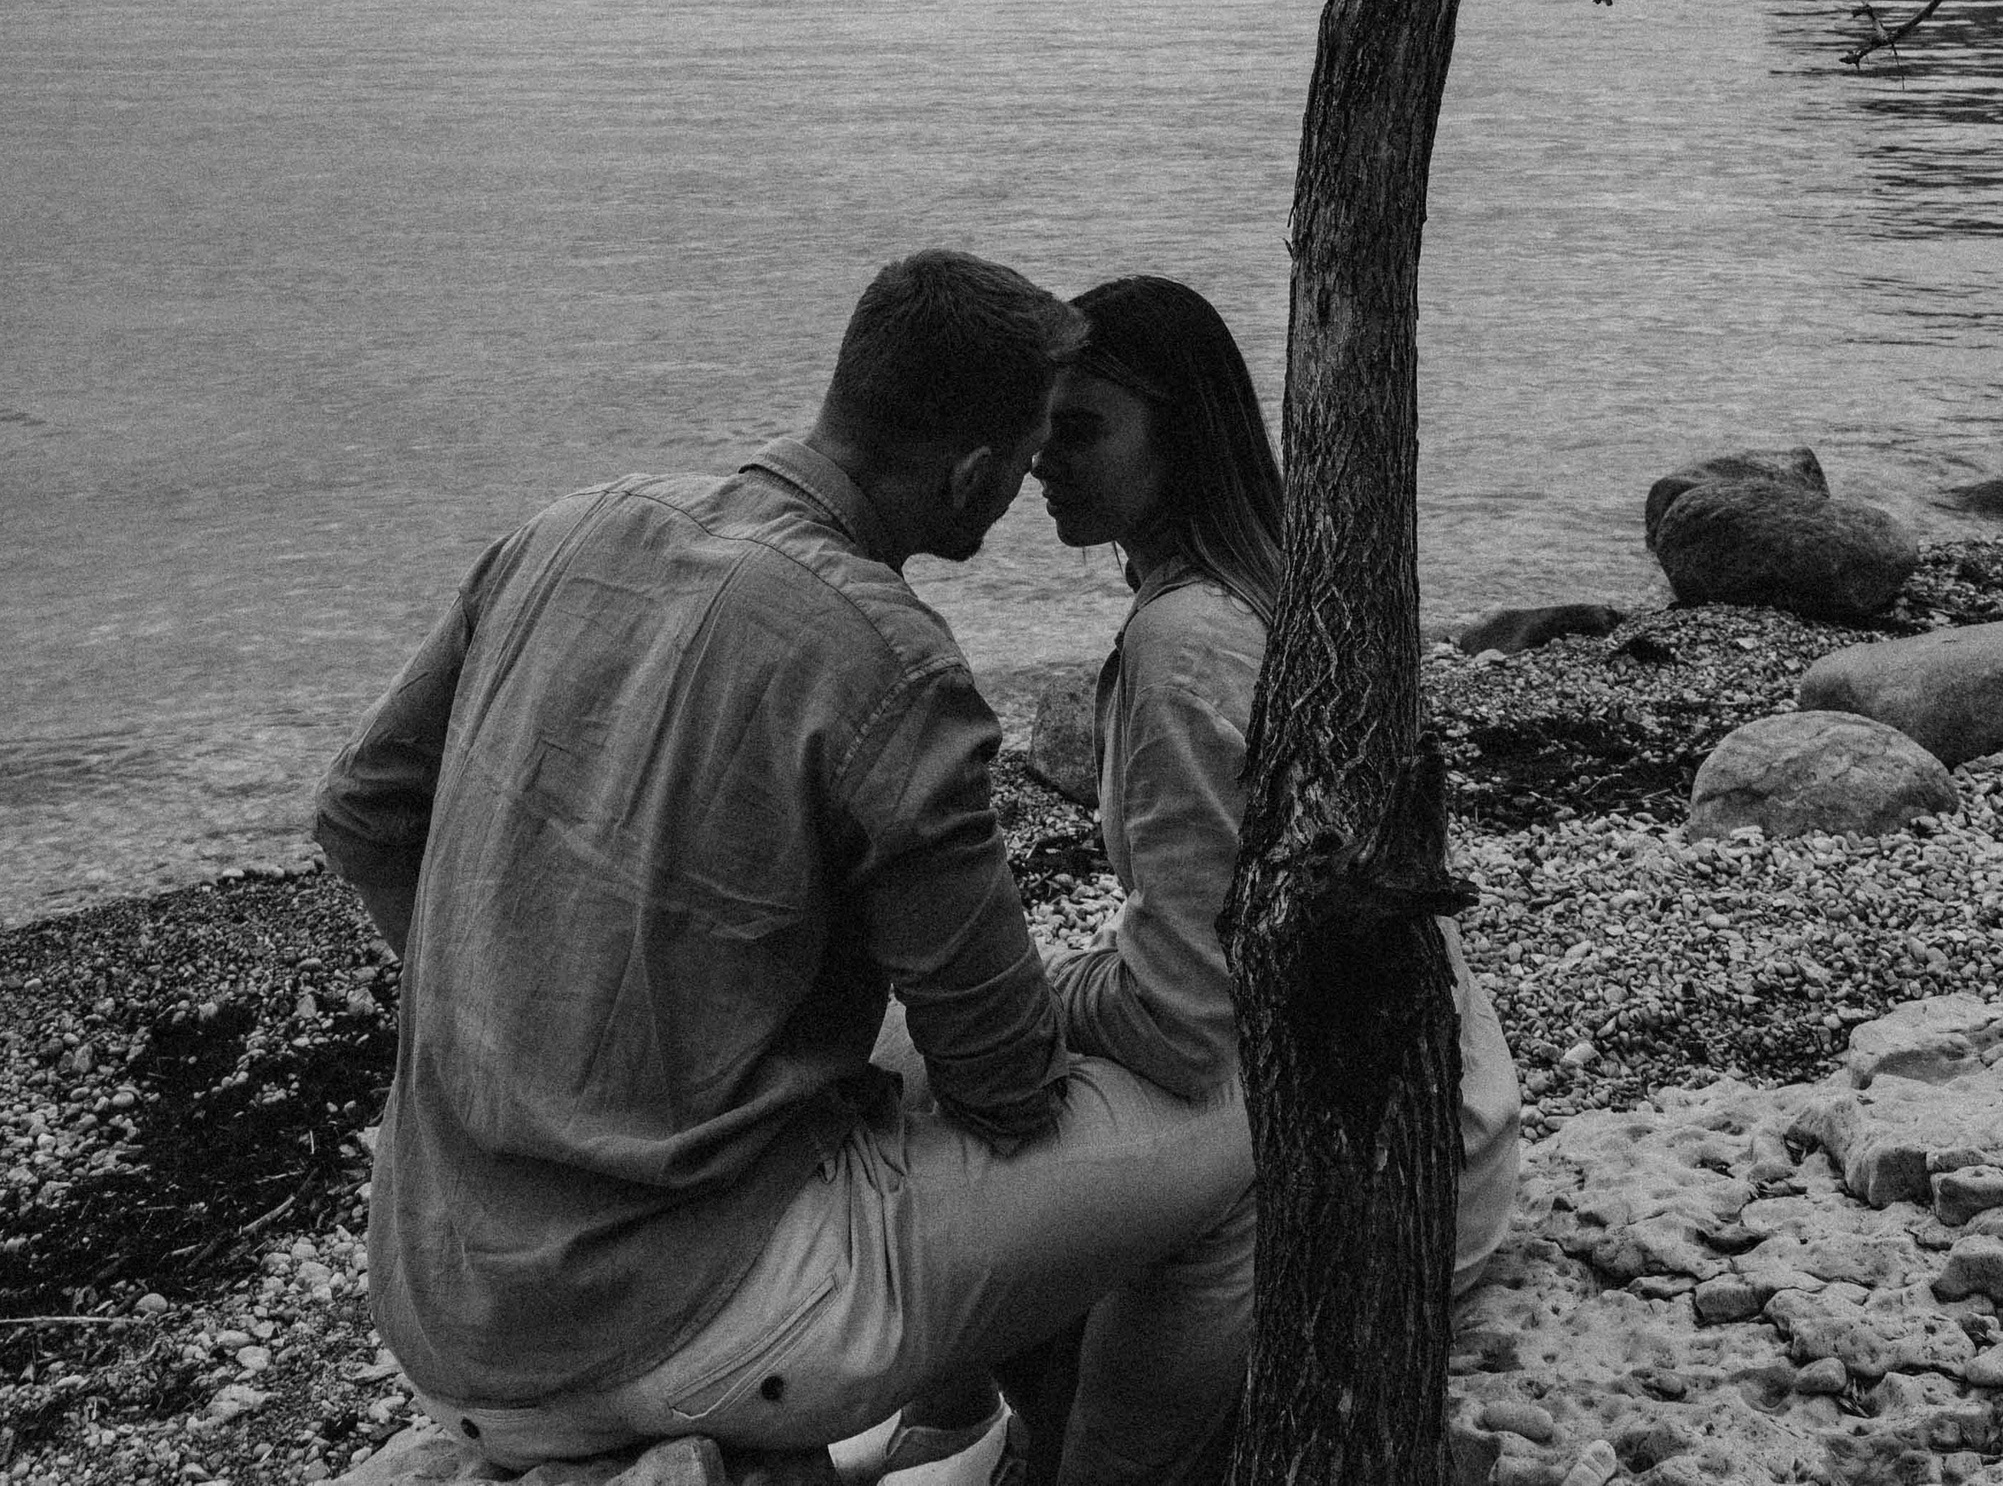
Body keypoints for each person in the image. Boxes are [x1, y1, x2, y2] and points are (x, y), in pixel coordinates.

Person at [312, 249, 1255, 1473]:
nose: (1028, 482)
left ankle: (935, 1436)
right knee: (1240, 1128)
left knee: (875, 1083)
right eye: (1023, 456)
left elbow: (364, 814)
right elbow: (1008, 1079)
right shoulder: (889, 663)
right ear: (971, 471)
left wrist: (519, 1033)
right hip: (690, 1320)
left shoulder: (564, 527)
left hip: (443, 1299)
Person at [1026, 274, 1520, 1486]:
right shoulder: (1282, 583)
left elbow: (1182, 1015)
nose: (1040, 458)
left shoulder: (1182, 638)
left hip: (1359, 1169)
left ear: (1178, 435)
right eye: (1036, 425)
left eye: (1079, 427)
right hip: (1447, 1111)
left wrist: (1022, 988)